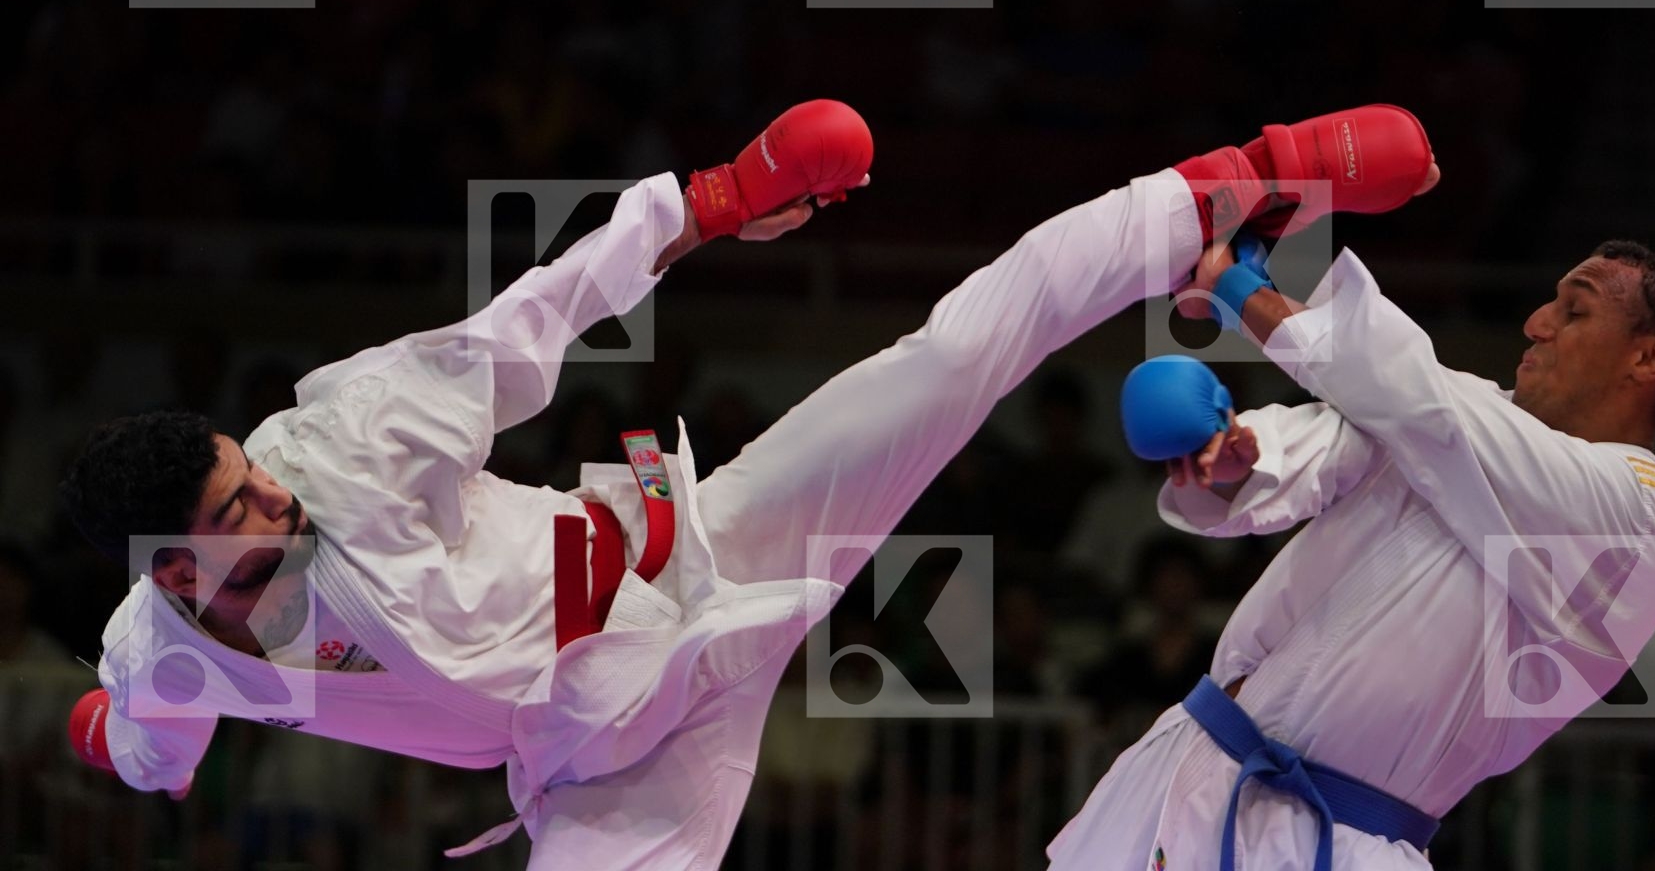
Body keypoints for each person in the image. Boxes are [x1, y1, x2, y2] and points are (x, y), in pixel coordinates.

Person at [58, 99, 1434, 868]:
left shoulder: (344, 444)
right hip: (607, 778)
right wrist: (100, 737)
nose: (275, 499)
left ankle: (1233, 182)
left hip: (687, 564)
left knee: (947, 360)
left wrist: (711, 200)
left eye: (251, 472)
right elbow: (144, 746)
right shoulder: (160, 654)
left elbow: (532, 317)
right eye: (238, 513)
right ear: (172, 572)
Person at [1048, 215, 1655, 869]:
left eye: (1574, 312)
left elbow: (1420, 407)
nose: (1536, 323)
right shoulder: (1447, 412)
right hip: (1180, 770)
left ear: (1649, 356)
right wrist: (1236, 458)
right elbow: (1337, 434)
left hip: (1343, 840)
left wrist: (1241, 290)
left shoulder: (1653, 520)